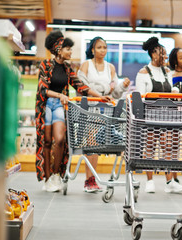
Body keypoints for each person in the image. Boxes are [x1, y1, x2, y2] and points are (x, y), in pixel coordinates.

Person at [35, 31, 111, 192]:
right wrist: (60, 95)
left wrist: (100, 96)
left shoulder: (67, 68)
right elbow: (43, 89)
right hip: (45, 105)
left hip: (60, 106)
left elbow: (80, 86)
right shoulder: (45, 65)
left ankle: (56, 175)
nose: (70, 52)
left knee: (61, 139)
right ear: (58, 49)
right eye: (67, 49)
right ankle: (48, 179)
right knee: (47, 142)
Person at [78, 36, 131, 192]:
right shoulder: (86, 65)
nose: (102, 50)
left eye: (105, 47)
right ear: (92, 49)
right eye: (99, 47)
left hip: (105, 109)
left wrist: (123, 85)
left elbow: (114, 93)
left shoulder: (110, 68)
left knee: (99, 144)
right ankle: (89, 180)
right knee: (91, 143)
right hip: (89, 107)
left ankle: (92, 178)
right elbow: (82, 87)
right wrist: (98, 95)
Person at [135, 37, 182, 194]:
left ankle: (170, 181)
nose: (164, 57)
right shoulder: (143, 73)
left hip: (167, 115)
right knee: (150, 146)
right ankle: (149, 181)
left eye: (165, 54)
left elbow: (171, 91)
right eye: (161, 54)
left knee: (168, 146)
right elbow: (140, 97)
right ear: (153, 54)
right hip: (149, 115)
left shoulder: (167, 72)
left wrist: (174, 92)